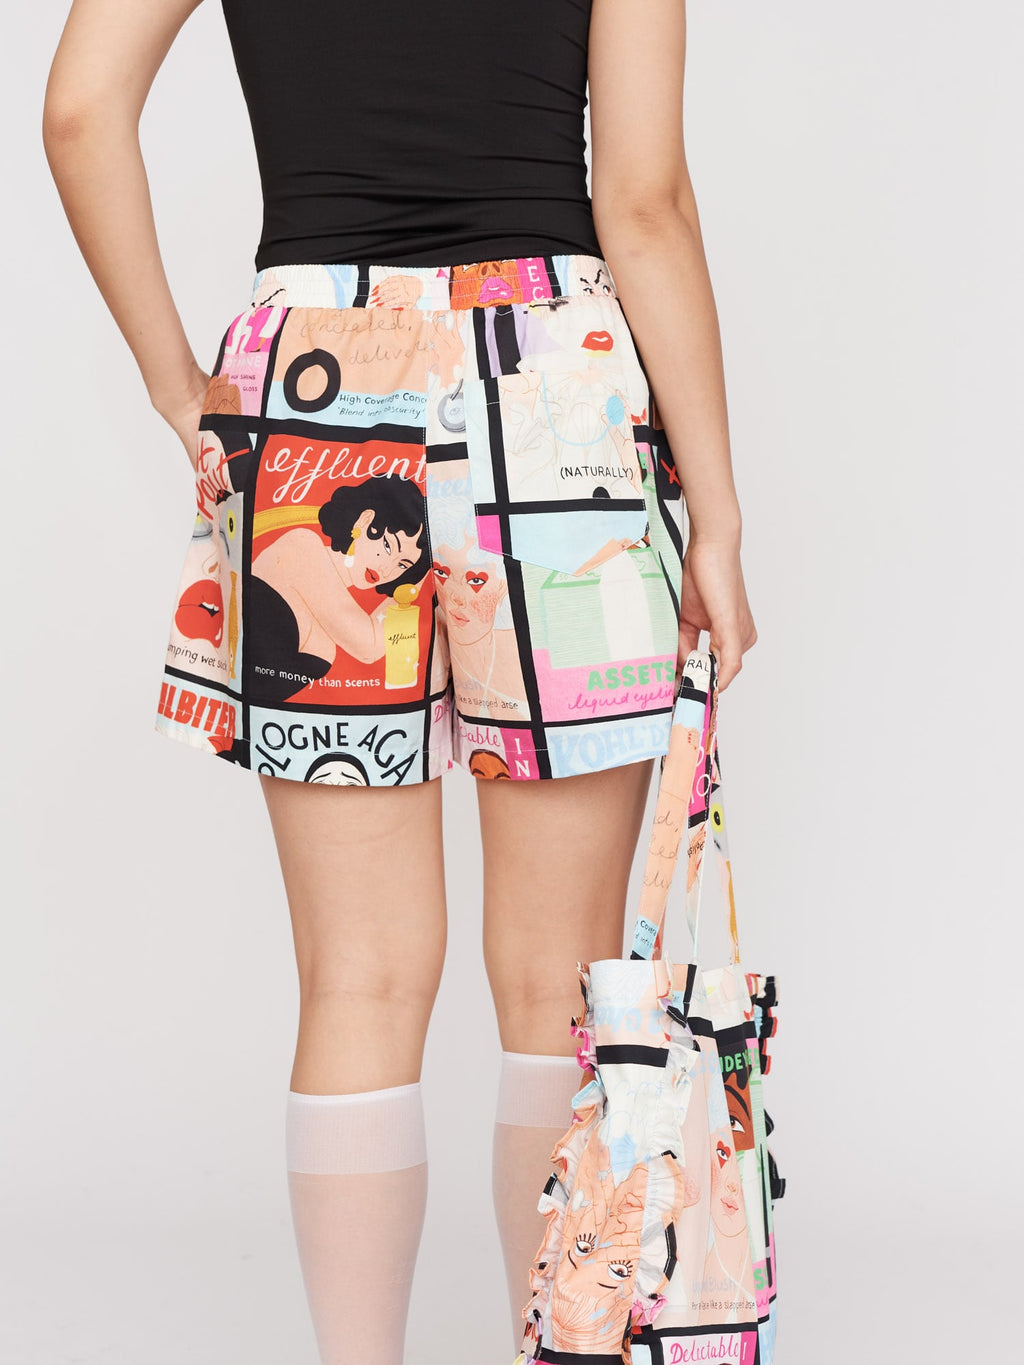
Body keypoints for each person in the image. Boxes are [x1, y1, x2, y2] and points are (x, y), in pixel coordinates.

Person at [42, 2, 758, 1362]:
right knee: (560, 981)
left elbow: (79, 111)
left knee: (357, 976)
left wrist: (181, 386)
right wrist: (716, 513)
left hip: (311, 390)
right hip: (552, 392)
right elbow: (645, 201)